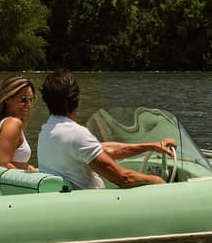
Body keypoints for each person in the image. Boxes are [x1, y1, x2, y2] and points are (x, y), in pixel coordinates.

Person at [37, 68, 176, 190]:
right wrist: (157, 181)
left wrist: (151, 146)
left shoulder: (47, 131)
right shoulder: (76, 134)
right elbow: (124, 179)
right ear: (77, 99)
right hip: (91, 205)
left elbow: (104, 149)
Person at [0, 74, 38, 171]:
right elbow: (2, 164)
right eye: (23, 100)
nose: (29, 104)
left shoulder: (2, 123)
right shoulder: (13, 123)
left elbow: (4, 161)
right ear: (8, 99)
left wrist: (30, 169)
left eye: (31, 99)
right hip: (11, 185)